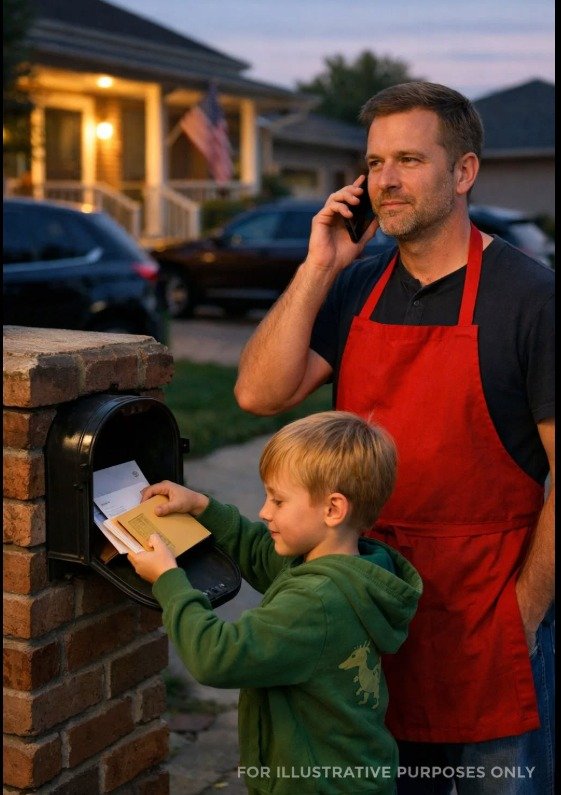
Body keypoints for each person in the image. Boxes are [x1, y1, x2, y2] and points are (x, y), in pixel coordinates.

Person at [234, 82, 555, 794]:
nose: (385, 180)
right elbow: (258, 393)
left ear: (463, 172)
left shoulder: (531, 298)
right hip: (370, 615)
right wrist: (320, 266)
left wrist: (524, 611)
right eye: (375, 162)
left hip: (483, 619)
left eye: (409, 160)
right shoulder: (358, 287)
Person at [128, 411, 422, 795]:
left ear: (333, 509)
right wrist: (201, 506)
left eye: (278, 500)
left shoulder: (316, 602)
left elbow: (217, 656)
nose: (264, 511)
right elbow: (261, 554)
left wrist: (169, 580)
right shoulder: (353, 567)